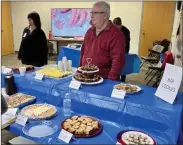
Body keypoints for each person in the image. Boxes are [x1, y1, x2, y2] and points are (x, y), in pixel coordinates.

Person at [79, 1, 125, 81]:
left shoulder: (116, 34)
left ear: (105, 15)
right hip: (85, 77)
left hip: (104, 80)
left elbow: (118, 61)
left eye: (95, 13)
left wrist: (110, 82)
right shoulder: (89, 31)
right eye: (91, 13)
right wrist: (79, 72)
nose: (92, 16)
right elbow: (83, 52)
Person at [113, 17, 130, 82]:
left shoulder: (126, 31)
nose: (116, 29)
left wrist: (126, 52)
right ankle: (115, 77)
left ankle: (123, 78)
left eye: (118, 27)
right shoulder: (112, 29)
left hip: (124, 49)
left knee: (124, 64)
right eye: (115, 27)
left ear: (120, 25)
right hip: (114, 50)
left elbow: (127, 43)